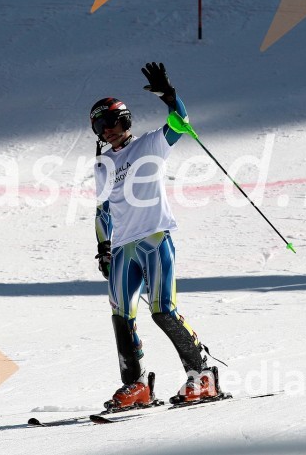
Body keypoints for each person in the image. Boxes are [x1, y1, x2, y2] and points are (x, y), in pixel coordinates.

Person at [90, 62, 223, 411]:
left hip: (153, 239)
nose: (112, 130)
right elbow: (103, 210)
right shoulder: (102, 165)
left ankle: (202, 375)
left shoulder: (150, 145)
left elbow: (181, 123)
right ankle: (136, 386)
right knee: (121, 316)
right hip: (122, 249)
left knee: (163, 310)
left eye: (117, 121)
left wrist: (169, 95)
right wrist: (104, 248)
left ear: (128, 121)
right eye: (104, 125)